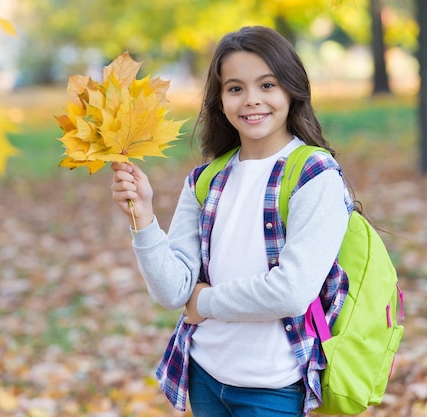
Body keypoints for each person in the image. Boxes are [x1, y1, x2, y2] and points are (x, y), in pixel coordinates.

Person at [111, 25, 355, 417]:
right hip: (205, 376)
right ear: (220, 99)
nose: (252, 100)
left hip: (273, 387)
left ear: (291, 90)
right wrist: (143, 217)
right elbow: (173, 292)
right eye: (235, 88)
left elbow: (291, 291)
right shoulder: (206, 179)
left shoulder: (314, 174)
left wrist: (205, 302)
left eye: (267, 85)